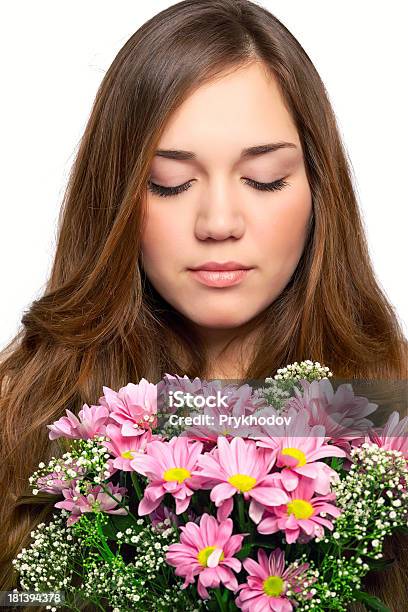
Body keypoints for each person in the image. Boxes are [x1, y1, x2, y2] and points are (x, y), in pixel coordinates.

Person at [0, 1, 406, 609]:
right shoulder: (21, 410)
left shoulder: (393, 409)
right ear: (115, 199)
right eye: (169, 182)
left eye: (265, 178)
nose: (219, 223)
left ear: (320, 191)